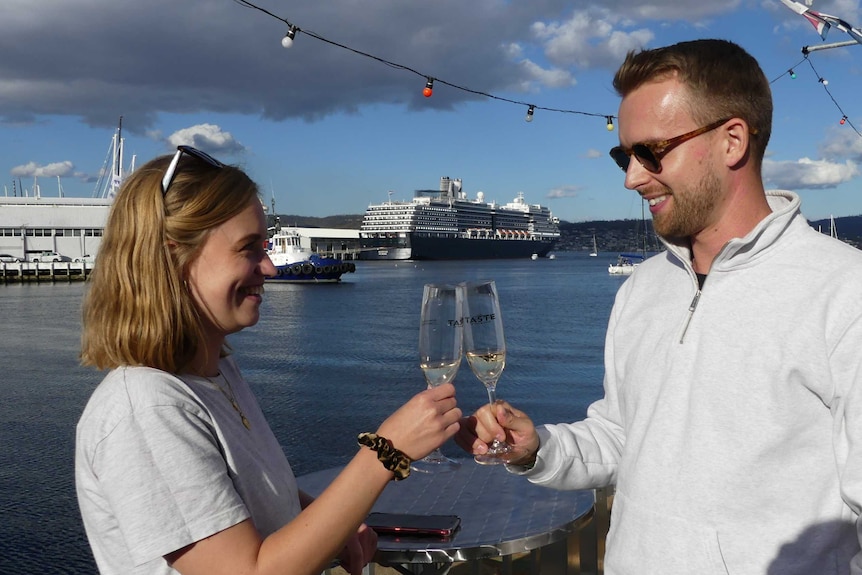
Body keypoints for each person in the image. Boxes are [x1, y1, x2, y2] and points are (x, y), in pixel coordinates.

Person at [456, 39, 862, 574]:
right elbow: (623, 437)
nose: (631, 177)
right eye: (623, 155)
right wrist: (537, 449)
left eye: (651, 151)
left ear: (732, 140)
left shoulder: (843, 292)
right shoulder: (642, 288)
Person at [75, 146, 461, 575]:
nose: (271, 267)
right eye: (249, 249)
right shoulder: (146, 408)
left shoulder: (215, 372)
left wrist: (333, 524)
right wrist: (386, 452)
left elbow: (254, 492)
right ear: (172, 258)